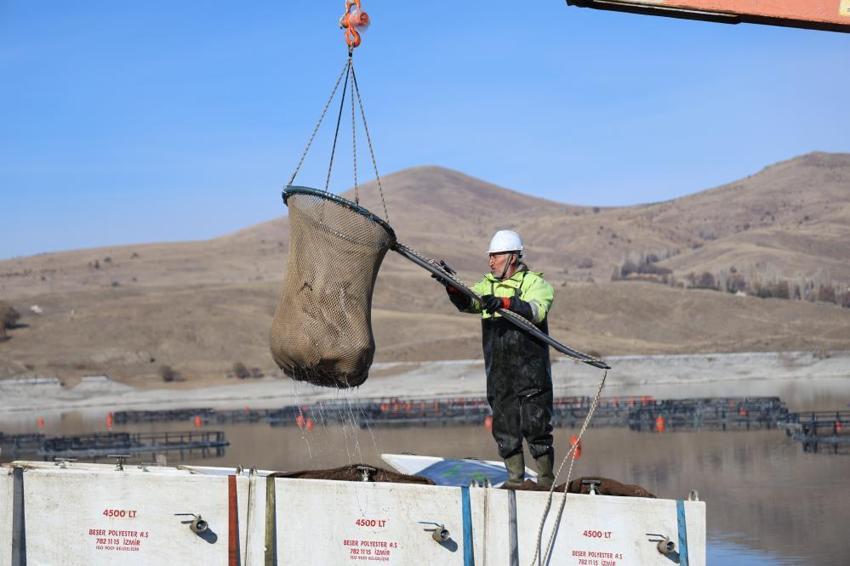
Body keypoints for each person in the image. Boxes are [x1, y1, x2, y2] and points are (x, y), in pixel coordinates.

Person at [436, 230, 556, 488]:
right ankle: (515, 479)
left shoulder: (535, 284)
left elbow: (537, 310)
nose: (490, 262)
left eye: (496, 256)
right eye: (489, 257)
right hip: (499, 371)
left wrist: (505, 302)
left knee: (536, 424)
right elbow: (469, 302)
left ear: (512, 257)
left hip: (531, 369)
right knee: (504, 426)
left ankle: (546, 481)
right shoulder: (486, 285)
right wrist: (450, 286)